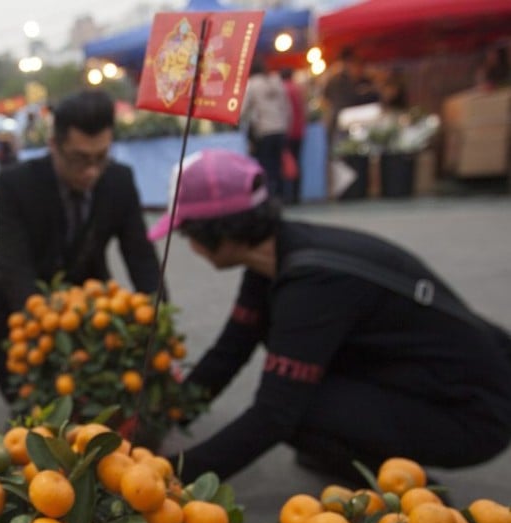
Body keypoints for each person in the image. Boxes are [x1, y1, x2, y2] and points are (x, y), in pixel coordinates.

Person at [163, 149, 511, 484]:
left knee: (298, 410)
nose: (190, 246)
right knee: (295, 395)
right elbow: (231, 349)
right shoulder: (274, 253)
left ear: (219, 234)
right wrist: (164, 415)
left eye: (188, 234)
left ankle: (409, 491)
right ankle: (339, 450)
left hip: (474, 415)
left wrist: (170, 476)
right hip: (421, 379)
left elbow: (274, 415)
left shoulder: (312, 285)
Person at [0, 90, 163, 401]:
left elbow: (142, 258)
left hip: (89, 287)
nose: (91, 171)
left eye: (101, 157)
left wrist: (159, 324)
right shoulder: (17, 184)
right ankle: (25, 398)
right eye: (79, 159)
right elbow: (15, 265)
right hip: (27, 289)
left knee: (127, 315)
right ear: (54, 145)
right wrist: (44, 330)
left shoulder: (119, 180)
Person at [241, 61, 290, 200]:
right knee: (279, 163)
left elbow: (244, 109)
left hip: (264, 130)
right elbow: (286, 107)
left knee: (265, 165)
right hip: (280, 128)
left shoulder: (252, 84)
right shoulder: (276, 82)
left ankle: (268, 196)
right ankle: (282, 195)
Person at [281, 68, 306, 205]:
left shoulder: (283, 89)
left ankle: (287, 195)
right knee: (297, 161)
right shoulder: (298, 89)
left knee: (286, 164)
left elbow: (285, 112)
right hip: (300, 130)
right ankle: (297, 195)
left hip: (288, 130)